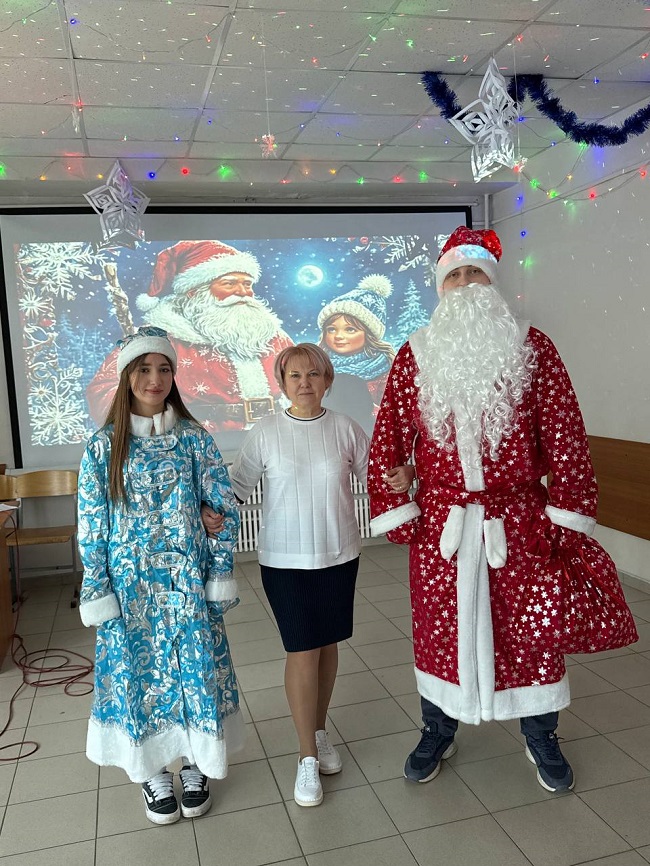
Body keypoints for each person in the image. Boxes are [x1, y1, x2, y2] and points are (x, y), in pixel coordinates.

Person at [367, 225, 634, 794]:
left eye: (476, 272)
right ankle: (437, 729)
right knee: (439, 631)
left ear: (493, 281)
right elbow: (388, 435)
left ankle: (541, 733)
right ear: (441, 286)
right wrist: (397, 504)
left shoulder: (533, 348)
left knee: (532, 629)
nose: (466, 284)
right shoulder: (415, 354)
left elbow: (565, 435)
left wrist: (566, 518)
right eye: (455, 275)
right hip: (443, 526)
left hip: (523, 524)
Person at [77, 326, 245, 826]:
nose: (155, 379)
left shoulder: (193, 439)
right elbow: (92, 526)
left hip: (187, 587)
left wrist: (217, 558)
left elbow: (223, 507)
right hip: (132, 592)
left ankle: (195, 763)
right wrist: (98, 587)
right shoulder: (103, 447)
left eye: (164, 368)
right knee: (140, 675)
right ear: (127, 376)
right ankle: (151, 768)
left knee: (194, 671)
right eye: (144, 369)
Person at [87, 240, 293, 432]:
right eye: (229, 284)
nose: (243, 292)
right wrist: (149, 421)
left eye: (247, 284)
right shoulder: (156, 337)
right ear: (194, 291)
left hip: (273, 438)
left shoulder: (271, 335)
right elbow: (104, 390)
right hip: (198, 444)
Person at [318, 274, 396, 418]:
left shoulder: (384, 367)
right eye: (332, 329)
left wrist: (364, 411)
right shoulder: (316, 364)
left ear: (369, 334)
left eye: (350, 329)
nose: (338, 336)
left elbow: (393, 412)